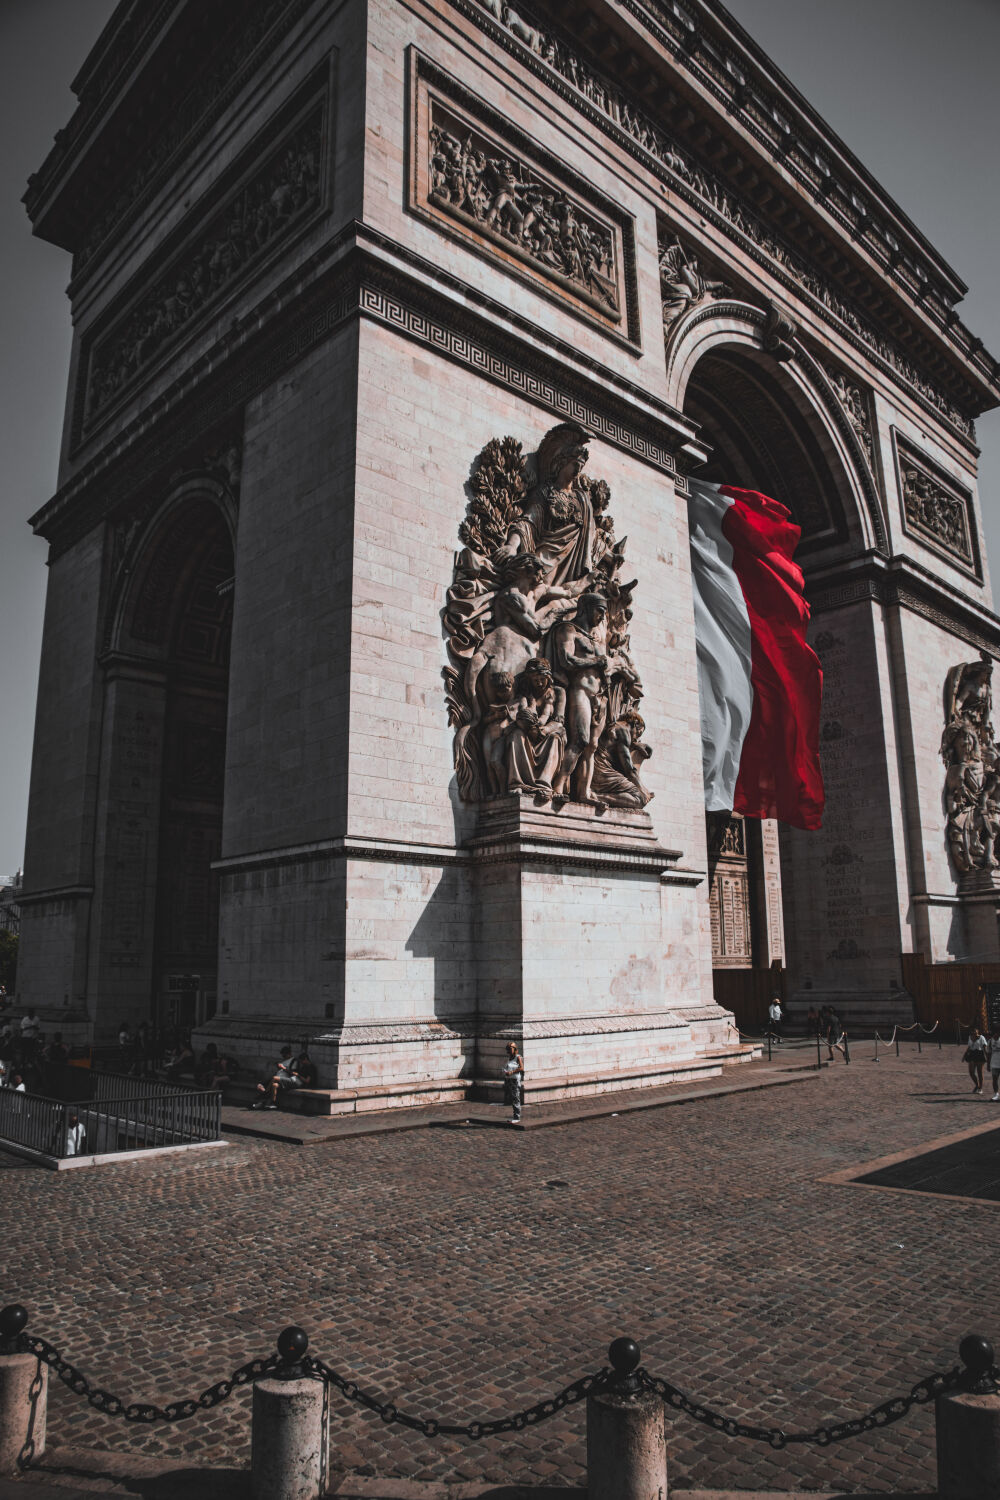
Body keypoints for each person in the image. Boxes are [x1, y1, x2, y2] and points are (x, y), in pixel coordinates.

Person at [502, 1040, 524, 1124]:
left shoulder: (518, 1057)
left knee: (516, 1098)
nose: (509, 1050)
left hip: (515, 1080)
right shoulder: (509, 1058)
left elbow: (521, 1068)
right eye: (508, 1048)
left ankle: (517, 1117)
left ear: (514, 1049)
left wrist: (511, 1072)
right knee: (512, 1098)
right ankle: (515, 1115)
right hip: (509, 1080)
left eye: (510, 1048)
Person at [965, 1028, 988, 1094]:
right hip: (972, 1054)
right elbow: (969, 1047)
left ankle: (980, 1088)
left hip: (980, 1054)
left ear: (978, 1032)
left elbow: (984, 1047)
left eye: (975, 1032)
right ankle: (977, 1085)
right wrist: (965, 1055)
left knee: (979, 1072)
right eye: (972, 1032)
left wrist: (987, 1057)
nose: (974, 1033)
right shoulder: (970, 1037)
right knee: (971, 1072)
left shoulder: (981, 1038)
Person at [989, 1030, 1000, 1102]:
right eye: (995, 1033)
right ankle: (996, 1094)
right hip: (994, 1063)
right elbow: (988, 1053)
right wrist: (988, 1064)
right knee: (995, 1080)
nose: (996, 1035)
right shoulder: (990, 1041)